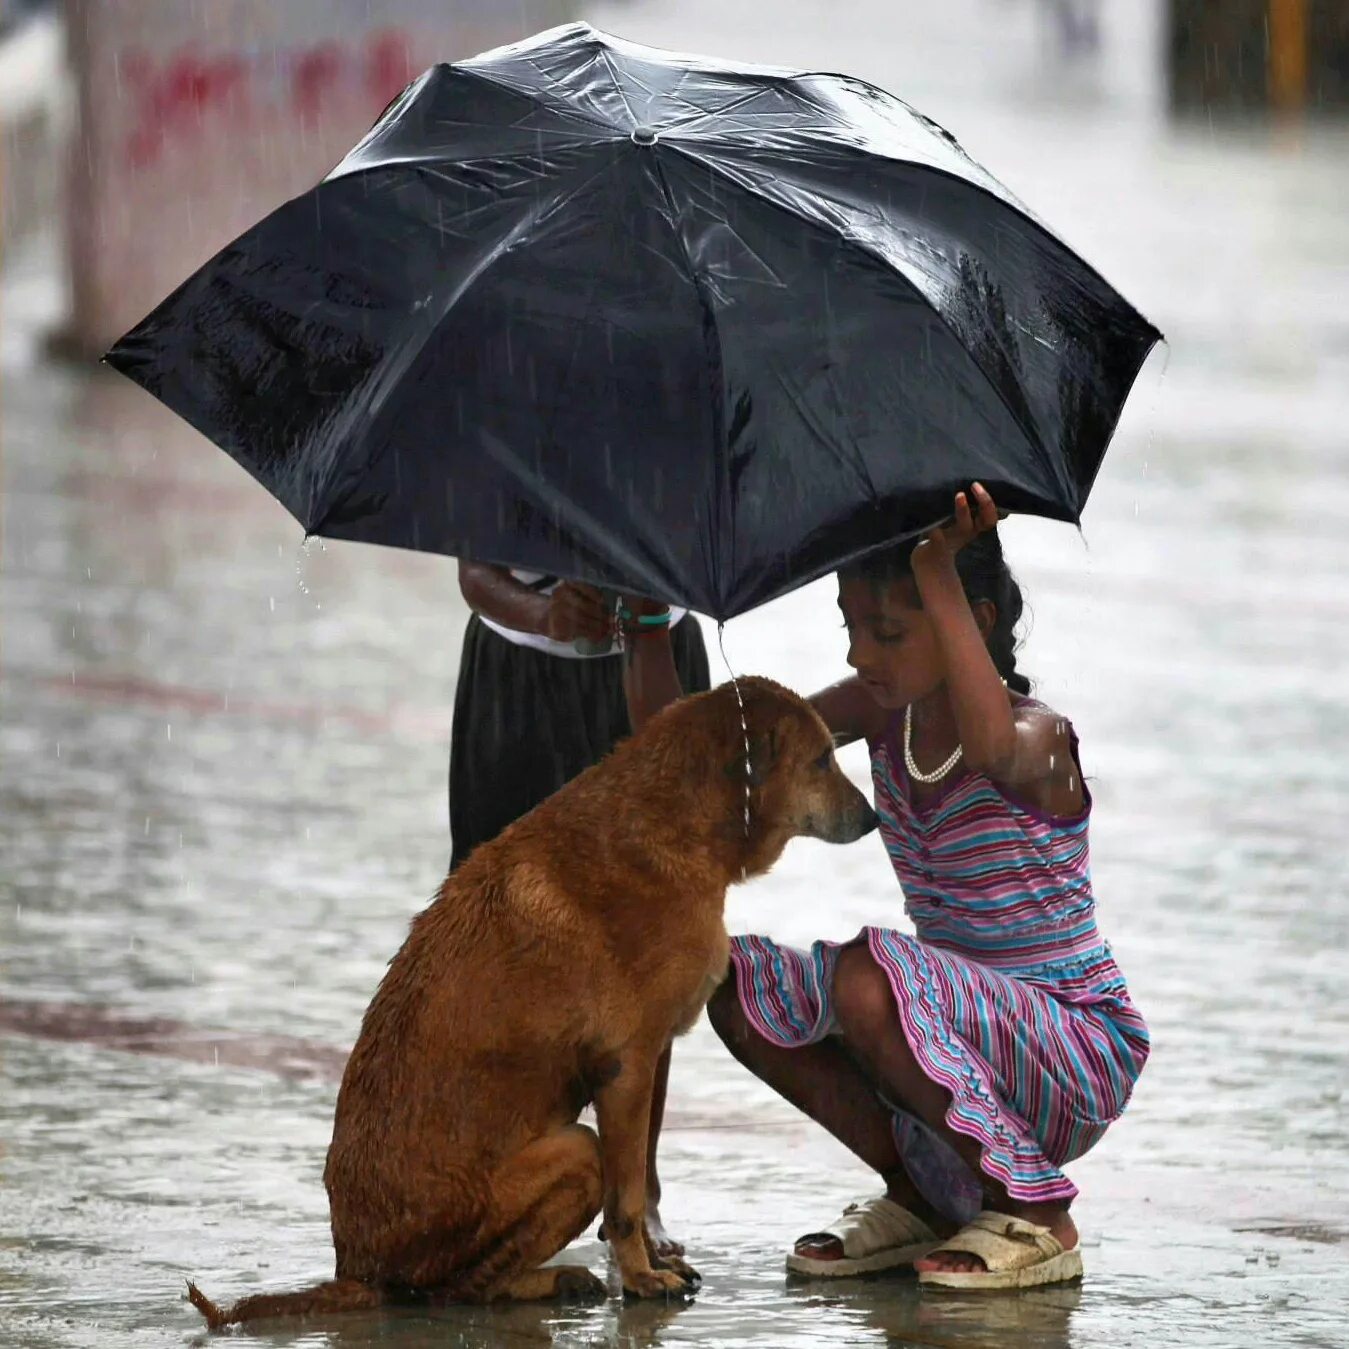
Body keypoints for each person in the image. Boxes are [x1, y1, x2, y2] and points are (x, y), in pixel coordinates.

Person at [621, 483, 1149, 1290]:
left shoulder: (1036, 738)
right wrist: (647, 620)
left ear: (970, 622)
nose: (858, 655)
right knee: (726, 976)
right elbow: (689, 756)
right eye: (851, 627)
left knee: (870, 976)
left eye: (888, 631)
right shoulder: (879, 712)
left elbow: (986, 742)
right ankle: (923, 1195)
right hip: (941, 1039)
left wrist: (935, 564)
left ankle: (1037, 1211)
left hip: (1069, 1047)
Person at [449, 561, 711, 1252]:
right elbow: (474, 570)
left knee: (652, 944)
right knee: (500, 939)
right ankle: (501, 1178)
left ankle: (637, 1188)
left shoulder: (672, 450)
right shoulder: (502, 445)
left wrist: (649, 606)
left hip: (655, 651)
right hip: (516, 672)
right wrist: (540, 614)